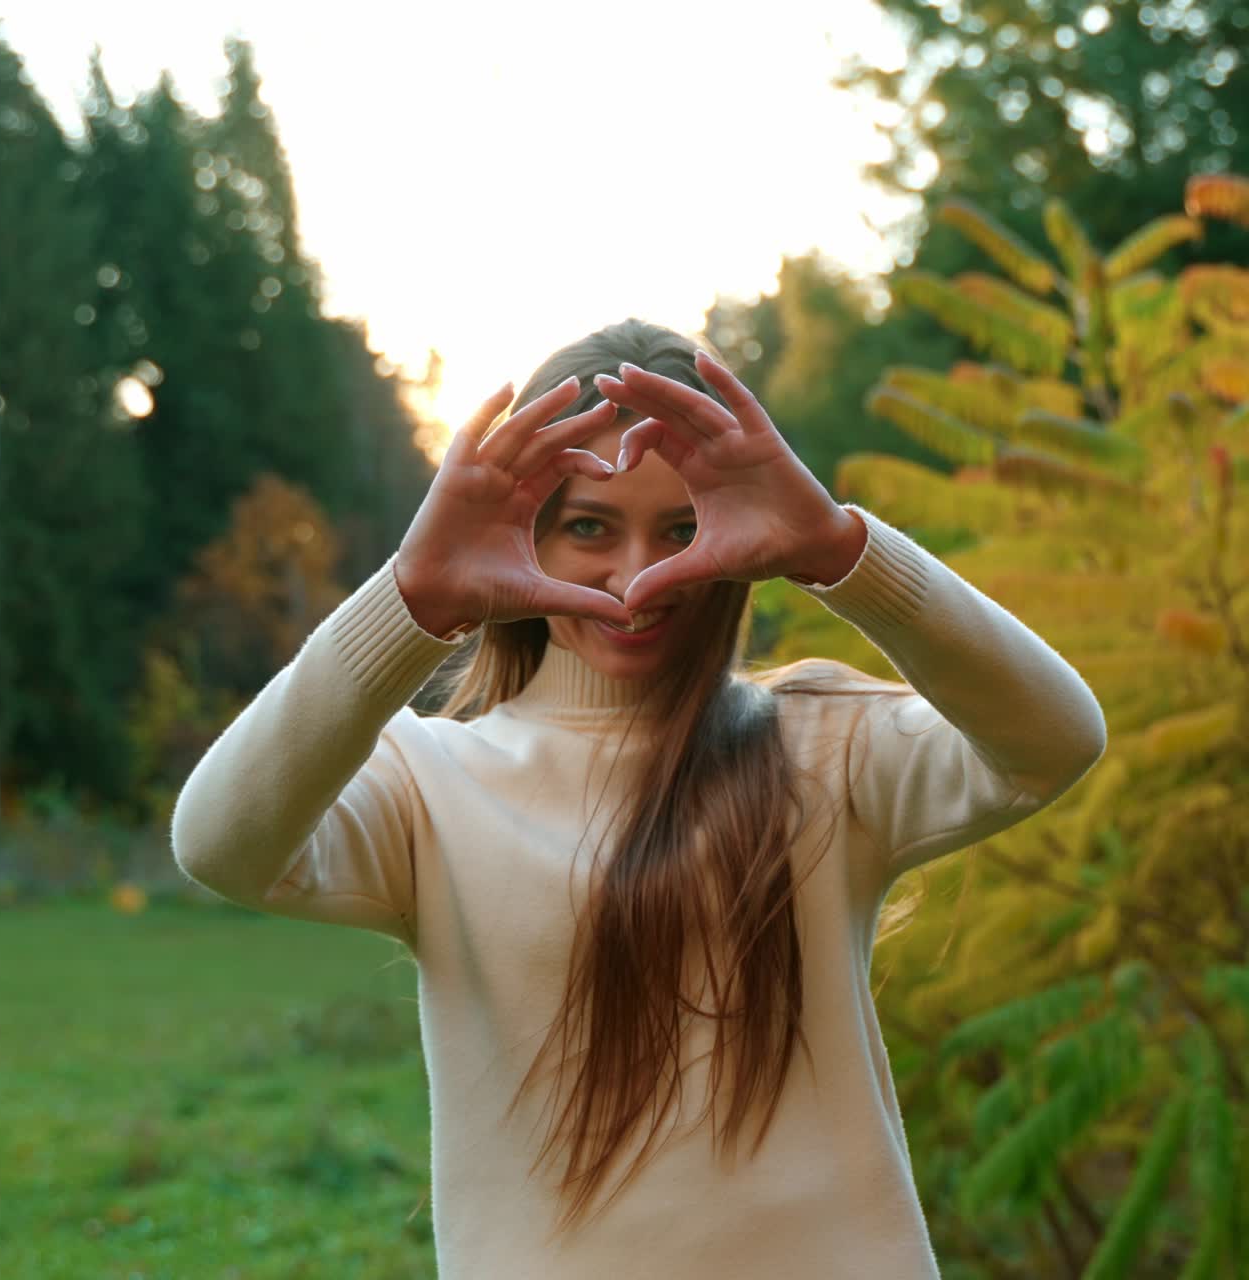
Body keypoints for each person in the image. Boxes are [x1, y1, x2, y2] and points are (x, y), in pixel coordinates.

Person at [171, 317, 1107, 1279]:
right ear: (523, 533)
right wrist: (411, 602)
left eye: (683, 530)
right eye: (589, 527)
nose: (638, 577)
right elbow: (220, 843)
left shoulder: (824, 745)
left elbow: (1055, 740)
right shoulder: (427, 781)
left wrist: (838, 551)